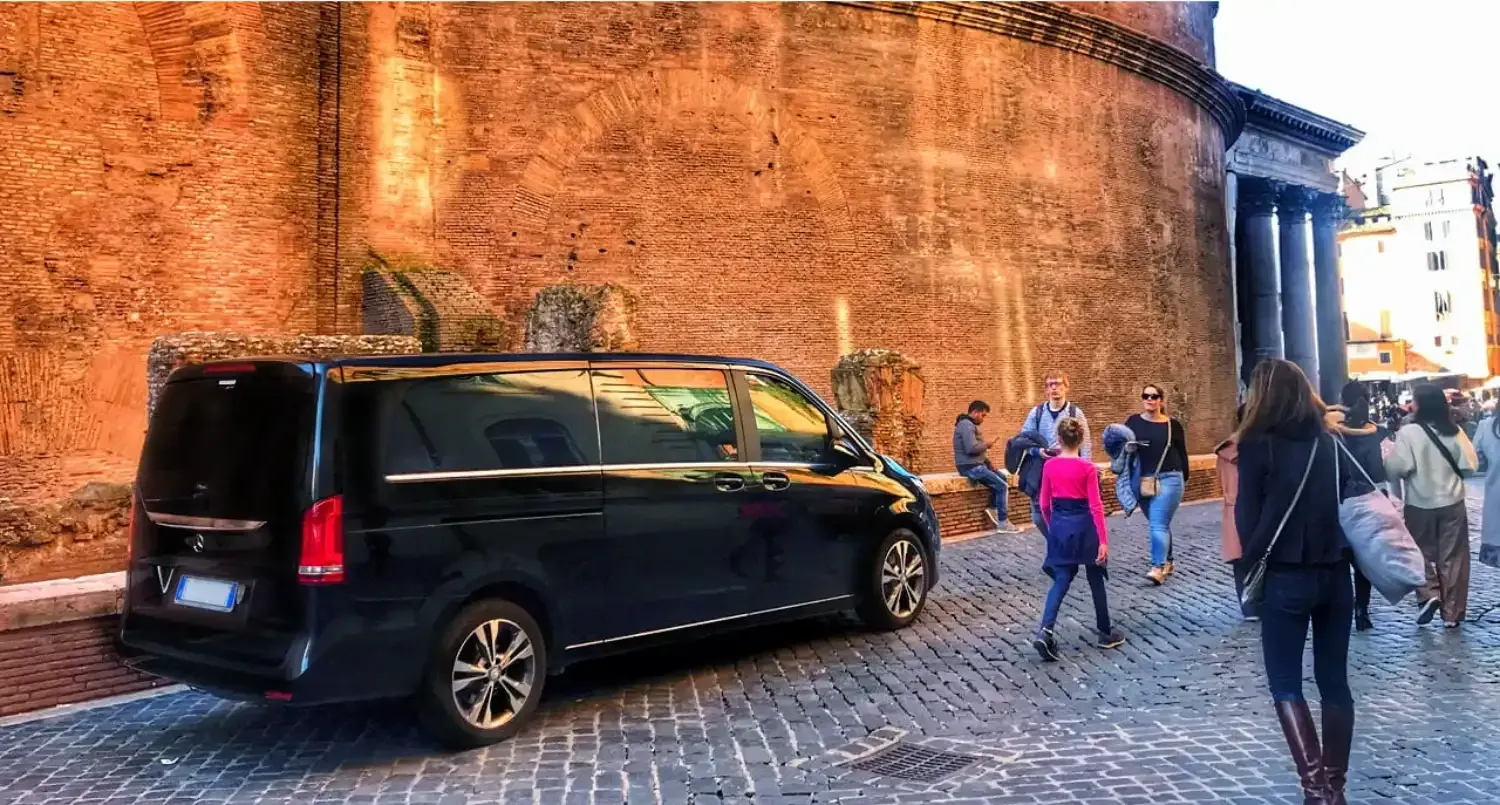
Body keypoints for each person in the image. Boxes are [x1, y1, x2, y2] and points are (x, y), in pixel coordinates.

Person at [1236, 358, 1353, 805]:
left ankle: (1317, 790)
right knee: (1334, 682)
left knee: (1285, 681)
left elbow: (1248, 520)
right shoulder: (1329, 442)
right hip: (1336, 573)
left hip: (1286, 576)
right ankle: (1334, 790)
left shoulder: (1257, 445)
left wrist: (1251, 567)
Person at [1384, 383, 1477, 628]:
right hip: (1453, 502)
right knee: (1453, 557)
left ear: (1421, 404)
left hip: (1418, 503)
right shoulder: (1454, 430)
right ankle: (1452, 614)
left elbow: (1399, 467)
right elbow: (1470, 465)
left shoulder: (1409, 432)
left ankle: (1429, 593)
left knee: (1418, 553)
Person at [1033, 417, 1125, 661]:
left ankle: (1045, 630)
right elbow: (1096, 505)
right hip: (1086, 527)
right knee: (1096, 577)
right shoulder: (1088, 469)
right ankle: (1105, 632)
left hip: (1061, 526)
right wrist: (1103, 541)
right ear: (1081, 440)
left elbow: (1044, 505)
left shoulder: (1049, 467)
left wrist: (1055, 528)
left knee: (1061, 579)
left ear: (1059, 439)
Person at [1328, 381, 1392, 633]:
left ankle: (1340, 608)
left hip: (1340, 498)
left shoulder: (1334, 433)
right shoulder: (1376, 431)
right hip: (1371, 498)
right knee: (1364, 558)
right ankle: (1361, 609)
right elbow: (1381, 470)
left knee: (1342, 556)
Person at [1125, 383, 1188, 585]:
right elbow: (1118, 445)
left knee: (1157, 523)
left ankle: (1157, 567)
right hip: (1142, 480)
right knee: (1158, 523)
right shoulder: (1133, 422)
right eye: (1146, 396)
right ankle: (1169, 561)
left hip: (1170, 477)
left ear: (1162, 400)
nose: (1150, 400)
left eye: (1154, 396)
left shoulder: (1173, 425)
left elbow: (1182, 454)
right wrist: (1126, 449)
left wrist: (1183, 479)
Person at [1020, 370, 1090, 532]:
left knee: (1067, 510)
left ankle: (1063, 544)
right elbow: (1023, 440)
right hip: (1042, 470)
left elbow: (1085, 444)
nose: (1054, 388)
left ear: (1066, 387)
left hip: (1068, 470)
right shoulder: (1036, 413)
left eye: (1058, 384)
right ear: (1046, 389)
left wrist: (1085, 470)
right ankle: (1055, 540)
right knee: (1038, 515)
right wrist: (1038, 451)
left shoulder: (1075, 413)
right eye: (1050, 384)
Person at [953, 400, 1022, 534]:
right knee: (1002, 486)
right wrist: (987, 444)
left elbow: (977, 452)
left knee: (1001, 477)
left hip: (975, 465)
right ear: (975, 412)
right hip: (970, 468)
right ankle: (1002, 524)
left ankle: (993, 508)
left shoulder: (968, 425)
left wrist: (989, 464)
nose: (983, 419)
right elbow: (971, 448)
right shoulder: (966, 425)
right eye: (983, 415)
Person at [1215, 404, 1255, 621]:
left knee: (1240, 560)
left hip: (1232, 506)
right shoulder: (1261, 446)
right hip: (1256, 505)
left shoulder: (1224, 449)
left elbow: (1220, 481)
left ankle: (1248, 605)